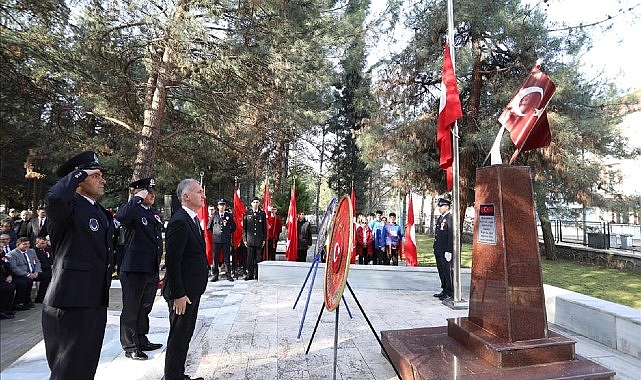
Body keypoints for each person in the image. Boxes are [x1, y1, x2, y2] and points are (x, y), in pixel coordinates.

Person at [42, 150, 115, 379]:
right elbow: (54, 197)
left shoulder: (97, 210)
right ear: (80, 178)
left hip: (93, 300)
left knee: (85, 367)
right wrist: (78, 174)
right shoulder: (66, 206)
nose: (102, 180)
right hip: (70, 301)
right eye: (95, 175)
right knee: (68, 371)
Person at [162, 179, 208, 380]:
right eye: (199, 192)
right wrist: (178, 294)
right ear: (186, 196)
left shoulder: (192, 219)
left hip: (191, 290)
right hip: (183, 294)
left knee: (185, 334)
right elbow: (172, 262)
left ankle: (178, 374)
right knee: (178, 336)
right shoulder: (180, 221)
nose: (203, 196)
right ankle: (172, 377)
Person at [116, 177, 164, 361]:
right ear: (138, 192)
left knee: (145, 307)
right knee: (131, 308)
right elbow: (121, 217)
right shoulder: (132, 210)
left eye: (153, 192)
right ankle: (130, 346)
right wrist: (136, 198)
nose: (152, 195)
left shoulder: (153, 213)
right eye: (147, 191)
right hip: (133, 269)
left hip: (150, 268)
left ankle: (142, 339)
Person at [6, 237, 43, 309]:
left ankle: (37, 298)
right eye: (24, 244)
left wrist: (36, 272)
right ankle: (19, 302)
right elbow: (14, 268)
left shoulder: (31, 251)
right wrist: (28, 274)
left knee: (46, 276)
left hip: (33, 273)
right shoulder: (12, 254)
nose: (27, 246)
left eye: (28, 244)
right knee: (24, 282)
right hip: (20, 275)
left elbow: (37, 262)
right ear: (18, 245)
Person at [207, 198, 236, 282]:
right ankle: (215, 275)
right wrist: (216, 233)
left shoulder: (229, 216)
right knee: (215, 258)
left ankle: (228, 274)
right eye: (220, 205)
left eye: (223, 205)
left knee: (227, 258)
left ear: (225, 206)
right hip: (216, 240)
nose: (222, 207)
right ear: (218, 206)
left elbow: (233, 227)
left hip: (226, 240)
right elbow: (209, 227)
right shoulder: (214, 216)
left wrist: (227, 233)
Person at [433, 197, 454, 301]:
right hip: (438, 249)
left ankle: (449, 291)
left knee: (446, 271)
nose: (439, 208)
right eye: (439, 206)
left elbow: (450, 235)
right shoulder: (441, 218)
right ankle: (444, 289)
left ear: (446, 207)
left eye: (441, 206)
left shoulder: (450, 218)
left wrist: (449, 250)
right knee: (441, 271)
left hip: (445, 250)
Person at [243, 197, 266, 280]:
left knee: (258, 258)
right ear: (251, 204)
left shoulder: (262, 213)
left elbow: (264, 227)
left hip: (259, 240)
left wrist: (264, 239)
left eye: (257, 202)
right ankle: (250, 275)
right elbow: (244, 228)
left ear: (259, 203)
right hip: (250, 240)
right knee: (250, 258)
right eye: (254, 202)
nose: (255, 204)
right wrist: (245, 239)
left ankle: (257, 275)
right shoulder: (247, 213)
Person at [33, 236, 53, 303]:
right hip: (39, 270)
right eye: (42, 243)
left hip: (49, 269)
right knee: (47, 277)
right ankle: (40, 297)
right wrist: (49, 266)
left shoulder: (48, 249)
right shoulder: (33, 251)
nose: (44, 245)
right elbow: (36, 263)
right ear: (37, 243)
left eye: (45, 243)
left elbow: (51, 259)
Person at [0, 238, 16, 319]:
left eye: (2, 247)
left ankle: (7, 309)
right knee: (5, 289)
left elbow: (8, 267)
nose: (1, 249)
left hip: (4, 279)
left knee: (11, 286)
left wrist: (9, 275)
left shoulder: (3, 256)